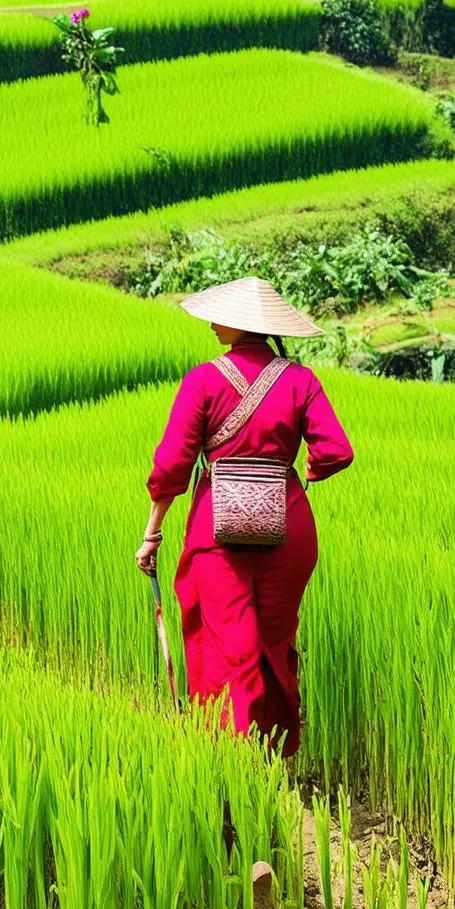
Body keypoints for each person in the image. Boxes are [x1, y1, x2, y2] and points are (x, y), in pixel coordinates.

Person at [136, 277, 353, 756]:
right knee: (275, 647)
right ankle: (274, 754)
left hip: (218, 528)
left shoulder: (203, 379)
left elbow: (172, 464)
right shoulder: (301, 380)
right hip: (287, 523)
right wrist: (304, 473)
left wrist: (153, 530)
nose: (213, 324)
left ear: (239, 324)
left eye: (220, 317)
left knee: (230, 647)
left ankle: (236, 760)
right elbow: (336, 451)